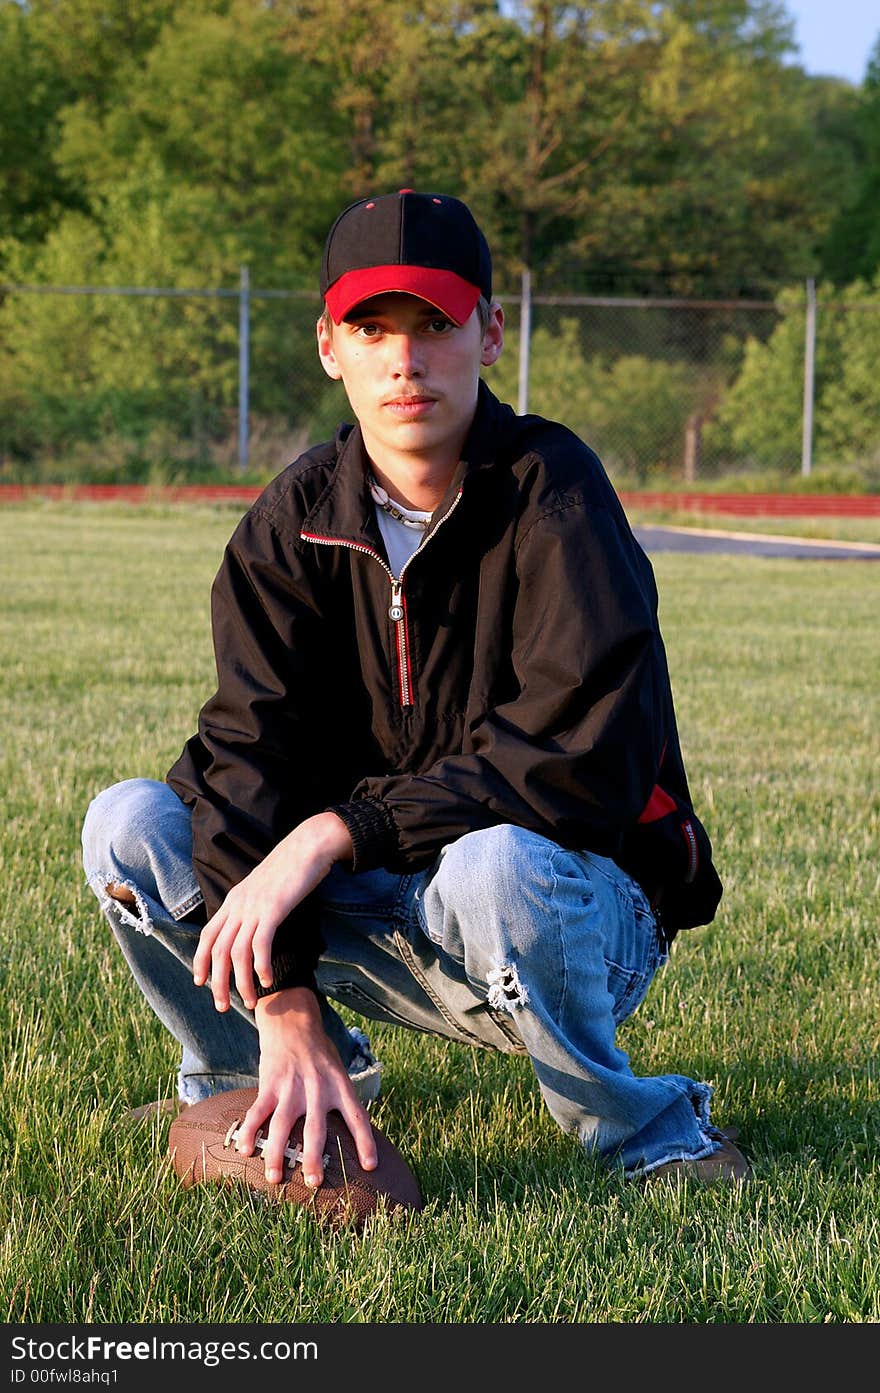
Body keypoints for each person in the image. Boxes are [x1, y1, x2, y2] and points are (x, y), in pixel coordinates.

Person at [81, 188, 750, 1191]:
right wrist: (289, 998)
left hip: (562, 908)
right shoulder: (293, 520)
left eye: (434, 323)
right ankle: (256, 1072)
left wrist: (334, 832)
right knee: (130, 824)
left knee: (495, 868)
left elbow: (581, 765)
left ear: (487, 334)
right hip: (386, 903)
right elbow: (242, 758)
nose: (404, 357)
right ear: (327, 346)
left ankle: (644, 1129)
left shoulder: (554, 491)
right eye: (371, 326)